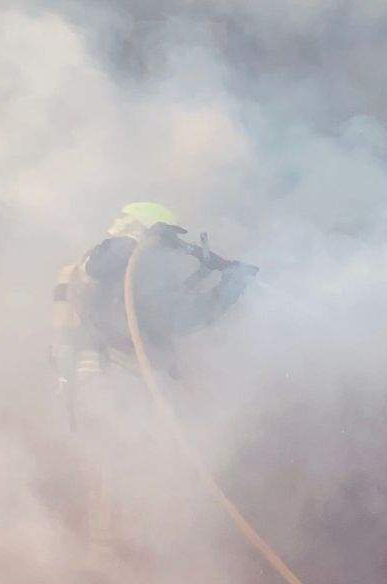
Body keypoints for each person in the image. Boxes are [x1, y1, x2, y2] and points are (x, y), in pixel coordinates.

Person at [52, 203, 256, 558]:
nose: (166, 250)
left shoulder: (91, 267)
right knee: (125, 461)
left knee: (116, 462)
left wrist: (204, 275)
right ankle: (115, 553)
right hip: (115, 378)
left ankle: (119, 547)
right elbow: (178, 315)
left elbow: (148, 306)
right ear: (145, 231)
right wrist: (230, 287)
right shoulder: (121, 261)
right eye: (163, 239)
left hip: (97, 377)